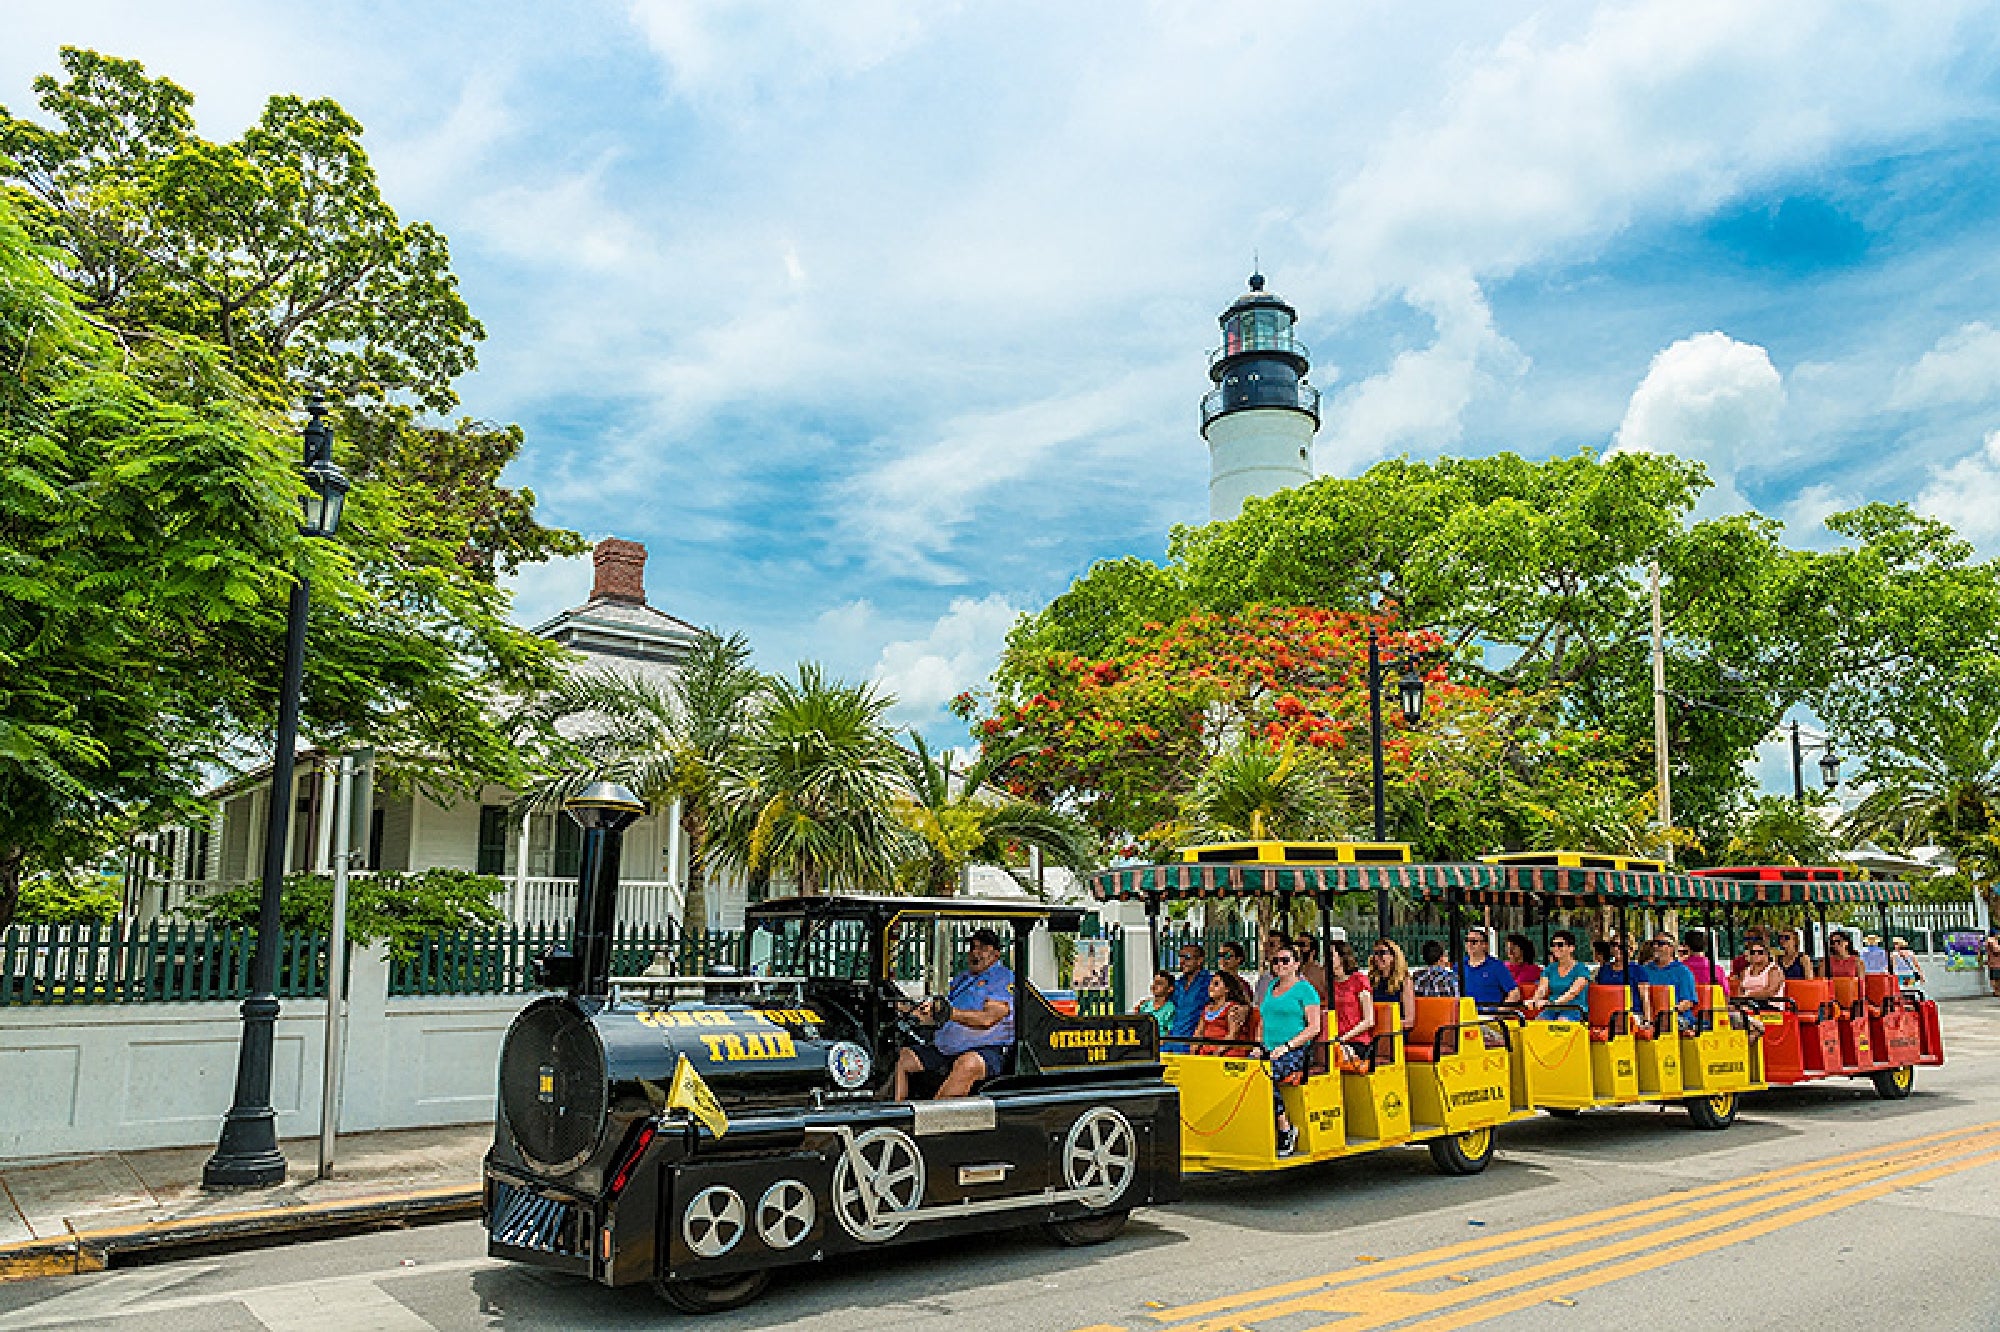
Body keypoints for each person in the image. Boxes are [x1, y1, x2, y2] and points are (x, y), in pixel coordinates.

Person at [892, 927, 1014, 1100]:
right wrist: (908, 1009)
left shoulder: (1002, 979)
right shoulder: (963, 978)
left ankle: (931, 1120)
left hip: (987, 1051)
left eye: (982, 948)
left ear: (995, 955)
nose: (975, 953)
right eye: (972, 947)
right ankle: (897, 1114)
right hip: (947, 1048)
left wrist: (949, 1013)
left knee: (967, 1064)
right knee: (906, 1057)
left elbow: (988, 1020)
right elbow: (940, 1014)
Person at [1257, 944, 1322, 1157]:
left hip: (1294, 1052)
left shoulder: (1305, 989)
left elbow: (1314, 1027)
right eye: (1276, 961)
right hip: (1267, 1050)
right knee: (1239, 1072)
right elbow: (1263, 1020)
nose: (1280, 965)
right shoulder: (1271, 987)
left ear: (1296, 964)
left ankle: (1285, 1127)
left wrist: (1286, 1047)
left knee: (1265, 1076)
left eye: (1285, 960)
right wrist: (1259, 1046)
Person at [1327, 940, 1376, 1066]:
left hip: (1357, 1041)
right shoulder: (1330, 984)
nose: (1327, 959)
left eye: (1331, 955)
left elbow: (1369, 1020)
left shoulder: (1359, 980)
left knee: (1337, 1053)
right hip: (1335, 1040)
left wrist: (1343, 1038)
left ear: (1342, 957)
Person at [1638, 933, 1699, 1032]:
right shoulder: (1645, 970)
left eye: (1660, 944)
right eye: (1654, 943)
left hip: (1677, 1018)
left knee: (1665, 1023)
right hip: (1648, 1016)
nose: (1655, 947)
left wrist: (1670, 1011)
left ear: (1671, 948)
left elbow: (1688, 1002)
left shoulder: (1682, 971)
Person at [1195, 971, 1257, 1055]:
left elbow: (1233, 1034)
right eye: (1210, 984)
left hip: (1226, 1053)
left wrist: (1217, 1052)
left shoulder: (1233, 1008)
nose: (1211, 987)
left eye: (1216, 984)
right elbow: (1199, 1032)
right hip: (1207, 1051)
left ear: (1227, 989)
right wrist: (1193, 1049)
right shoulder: (1207, 1008)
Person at [1166, 944, 1213, 1052]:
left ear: (1199, 960)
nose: (1182, 961)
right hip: (1172, 1043)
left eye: (1187, 957)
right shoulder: (1177, 984)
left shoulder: (1209, 982)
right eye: (1180, 957)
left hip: (1194, 1044)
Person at [1456, 927, 1517, 1009]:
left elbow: (1514, 993)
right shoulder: (1459, 966)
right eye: (1467, 941)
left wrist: (1501, 1012)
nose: (1469, 944)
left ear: (1484, 945)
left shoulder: (1497, 966)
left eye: (1473, 941)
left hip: (1488, 1015)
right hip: (1464, 1015)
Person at [1539, 930, 1592, 1021]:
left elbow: (1573, 991)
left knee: (1562, 1023)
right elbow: (1542, 989)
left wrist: (1555, 1002)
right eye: (1553, 945)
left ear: (1571, 948)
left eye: (1560, 945)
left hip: (1574, 1009)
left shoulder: (1581, 969)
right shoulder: (1549, 969)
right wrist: (1534, 1000)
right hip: (1552, 1009)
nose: (1556, 948)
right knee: (1539, 1023)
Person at [1369, 939, 1417, 1030]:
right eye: (1375, 953)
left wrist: (1386, 1025)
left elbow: (1409, 1021)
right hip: (1374, 1030)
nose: (1377, 957)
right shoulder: (1371, 981)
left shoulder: (1405, 981)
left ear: (1393, 956)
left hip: (1395, 1031)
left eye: (1382, 953)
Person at [1681, 929, 1730, 998]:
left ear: (1686, 946)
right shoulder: (1717, 970)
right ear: (1705, 945)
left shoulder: (1680, 969)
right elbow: (1726, 994)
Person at [1255, 930, 1289, 1003]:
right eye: (1265, 945)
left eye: (1271, 945)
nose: (1266, 949)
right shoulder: (1264, 979)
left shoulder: (1298, 980)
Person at [1503, 934, 1540, 1000]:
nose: (1510, 951)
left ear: (1522, 949)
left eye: (1513, 947)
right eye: (1508, 948)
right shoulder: (1502, 966)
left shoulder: (1532, 969)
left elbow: (1513, 987)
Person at [1982, 933, 2000, 999]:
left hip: (1997, 963)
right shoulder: (1991, 941)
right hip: (1994, 964)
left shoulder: (1995, 941)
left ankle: (1997, 991)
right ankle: (1996, 991)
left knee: (1997, 978)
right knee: (1995, 978)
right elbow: (1996, 950)